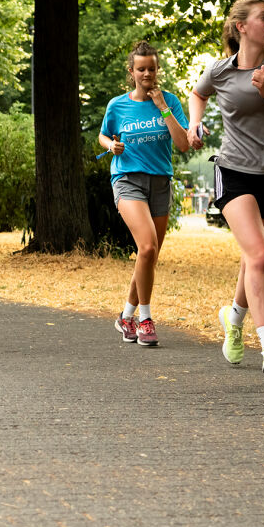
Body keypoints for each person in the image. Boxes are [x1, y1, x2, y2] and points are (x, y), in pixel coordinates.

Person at [187, 0, 264, 380]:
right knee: (258, 257)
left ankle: (234, 317)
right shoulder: (221, 70)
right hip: (234, 171)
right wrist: (194, 123)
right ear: (242, 26)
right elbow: (198, 92)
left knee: (252, 259)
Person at [99, 41, 189, 346]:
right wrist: (110, 146)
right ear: (131, 72)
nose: (147, 73)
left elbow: (184, 144)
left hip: (160, 183)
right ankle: (145, 319)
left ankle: (125, 316)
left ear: (157, 69)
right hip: (127, 180)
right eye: (141, 69)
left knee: (148, 256)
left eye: (151, 68)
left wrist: (163, 107)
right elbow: (103, 134)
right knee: (148, 247)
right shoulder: (117, 105)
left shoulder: (171, 102)